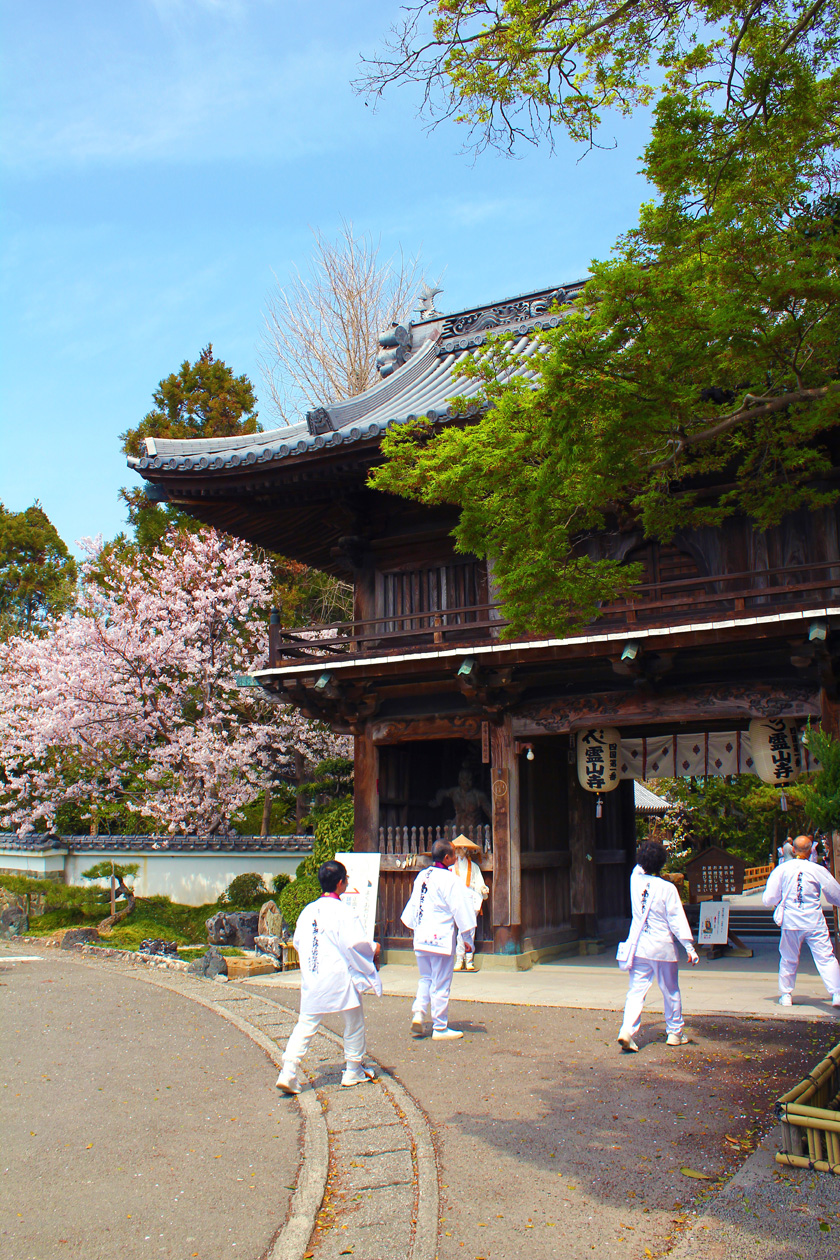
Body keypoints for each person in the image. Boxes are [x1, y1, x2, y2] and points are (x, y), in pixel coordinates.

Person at [275, 860, 382, 1094]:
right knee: (354, 1022)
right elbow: (355, 945)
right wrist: (373, 948)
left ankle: (289, 1070)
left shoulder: (308, 911)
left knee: (306, 1023)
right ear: (341, 882)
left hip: (315, 975)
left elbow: (299, 942)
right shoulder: (344, 911)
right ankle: (353, 1069)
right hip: (340, 976)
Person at [617, 841, 699, 1053]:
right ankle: (674, 1032)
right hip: (663, 947)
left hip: (640, 947)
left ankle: (627, 1030)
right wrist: (689, 947)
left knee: (636, 991)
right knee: (670, 989)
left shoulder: (634, 881)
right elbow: (676, 920)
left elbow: (638, 866)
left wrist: (643, 855)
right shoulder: (668, 888)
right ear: (662, 863)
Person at [401, 838, 477, 1040]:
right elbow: (461, 908)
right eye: (453, 854)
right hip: (441, 937)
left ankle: (419, 1013)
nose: (455, 857)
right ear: (446, 857)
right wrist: (467, 937)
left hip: (421, 936)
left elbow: (413, 906)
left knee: (425, 978)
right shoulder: (450, 880)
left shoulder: (422, 876)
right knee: (441, 983)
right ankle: (440, 1027)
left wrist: (413, 926)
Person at [762, 833, 840, 1008]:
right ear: (811, 849)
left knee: (789, 958)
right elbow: (835, 894)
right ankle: (836, 993)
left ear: (793, 849)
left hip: (791, 921)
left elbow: (769, 899)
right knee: (826, 957)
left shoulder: (781, 869)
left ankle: (786, 994)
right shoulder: (817, 869)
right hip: (814, 920)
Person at [451, 835, 489, 971]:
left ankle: (467, 959)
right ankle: (461, 958)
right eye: (458, 848)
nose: (460, 851)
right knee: (461, 930)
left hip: (470, 898)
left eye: (462, 848)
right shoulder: (451, 868)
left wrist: (483, 888)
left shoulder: (473, 867)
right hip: (457, 899)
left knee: (469, 930)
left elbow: (479, 882)